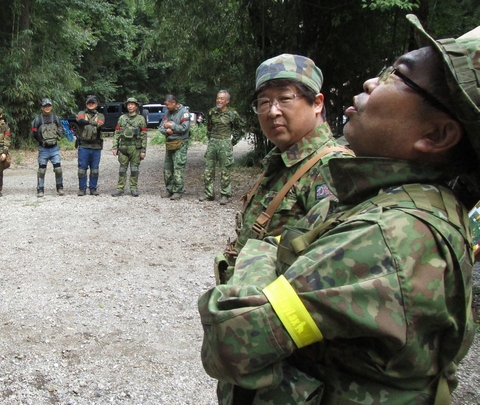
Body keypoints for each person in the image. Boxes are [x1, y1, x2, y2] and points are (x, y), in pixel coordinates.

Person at [199, 15, 479, 404]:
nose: (371, 83)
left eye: (396, 75)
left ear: (437, 134)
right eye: (264, 102)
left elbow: (231, 339)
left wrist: (258, 253)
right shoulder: (390, 198)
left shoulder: (386, 231)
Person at [218, 54, 354, 286]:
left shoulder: (332, 168)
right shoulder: (281, 161)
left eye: (285, 98)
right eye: (264, 102)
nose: (273, 112)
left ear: (317, 103)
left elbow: (330, 275)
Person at [200, 90, 242, 205]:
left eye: (222, 99)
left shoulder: (232, 114)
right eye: (218, 98)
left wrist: (232, 142)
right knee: (208, 169)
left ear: (227, 101)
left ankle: (225, 194)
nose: (219, 100)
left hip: (225, 142)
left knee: (225, 170)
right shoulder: (212, 112)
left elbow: (240, 129)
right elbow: (209, 126)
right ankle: (209, 194)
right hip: (213, 142)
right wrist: (211, 138)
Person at [111, 97, 148, 197]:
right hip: (123, 147)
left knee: (134, 169)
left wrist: (143, 150)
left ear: (136, 106)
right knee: (122, 169)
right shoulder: (122, 118)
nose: (130, 106)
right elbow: (117, 133)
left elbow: (144, 135)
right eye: (128, 104)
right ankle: (120, 188)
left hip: (135, 147)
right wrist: (114, 147)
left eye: (132, 104)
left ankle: (133, 188)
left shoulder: (141, 119)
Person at [158, 94, 191, 200]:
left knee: (178, 167)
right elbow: (161, 127)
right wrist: (167, 131)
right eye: (165, 105)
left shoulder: (184, 113)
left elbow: (184, 128)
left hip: (181, 143)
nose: (166, 107)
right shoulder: (167, 113)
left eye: (168, 105)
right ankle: (169, 189)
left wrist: (172, 126)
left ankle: (177, 191)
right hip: (170, 143)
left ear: (174, 103)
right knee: (167, 168)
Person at [31, 98, 65, 197]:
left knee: (58, 169)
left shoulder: (55, 118)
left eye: (49, 106)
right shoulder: (37, 119)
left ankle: (60, 188)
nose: (47, 108)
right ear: (42, 107)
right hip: (43, 149)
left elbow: (60, 129)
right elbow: (33, 132)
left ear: (51, 107)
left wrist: (59, 135)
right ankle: (40, 189)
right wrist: (40, 141)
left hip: (54, 148)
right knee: (41, 170)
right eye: (45, 106)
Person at [76, 95, 105, 196]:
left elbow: (100, 124)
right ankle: (82, 189)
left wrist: (88, 122)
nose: (91, 104)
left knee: (95, 169)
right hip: (83, 146)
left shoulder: (100, 115)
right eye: (89, 103)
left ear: (96, 104)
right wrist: (92, 122)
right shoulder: (81, 113)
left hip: (96, 146)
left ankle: (93, 188)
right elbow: (80, 121)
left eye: (93, 103)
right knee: (82, 169)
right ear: (86, 104)